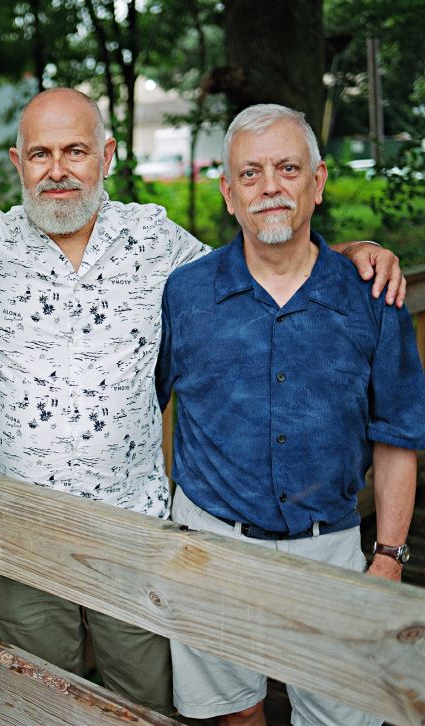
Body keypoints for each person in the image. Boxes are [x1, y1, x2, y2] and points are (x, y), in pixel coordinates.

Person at [0, 88, 404, 714]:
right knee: (32, 702)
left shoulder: (154, 239)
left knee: (146, 702)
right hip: (17, 531)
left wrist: (350, 255)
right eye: (39, 154)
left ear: (108, 155)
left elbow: (259, 264)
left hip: (134, 532)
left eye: (75, 151)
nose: (58, 170)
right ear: (17, 164)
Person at [156, 103, 425, 726]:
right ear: (228, 193)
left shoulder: (373, 296)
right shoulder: (185, 294)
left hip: (329, 547)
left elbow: (396, 437)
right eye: (250, 173)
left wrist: (388, 557)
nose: (270, 186)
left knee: (343, 717)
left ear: (318, 181)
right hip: (211, 546)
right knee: (234, 714)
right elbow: (142, 401)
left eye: (288, 168)